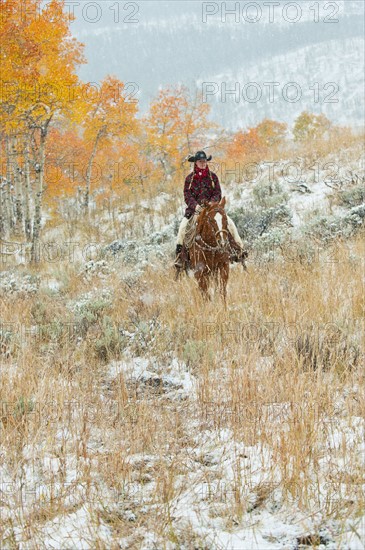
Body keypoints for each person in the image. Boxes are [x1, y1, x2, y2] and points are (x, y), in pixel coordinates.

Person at [174, 150, 246, 270]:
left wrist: (212, 204)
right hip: (195, 211)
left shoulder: (213, 177)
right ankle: (181, 259)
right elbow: (187, 196)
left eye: (204, 161)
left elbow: (217, 192)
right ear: (195, 163)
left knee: (231, 225)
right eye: (200, 161)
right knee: (182, 229)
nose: (203, 163)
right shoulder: (189, 179)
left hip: (212, 210)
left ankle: (238, 250)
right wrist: (196, 206)